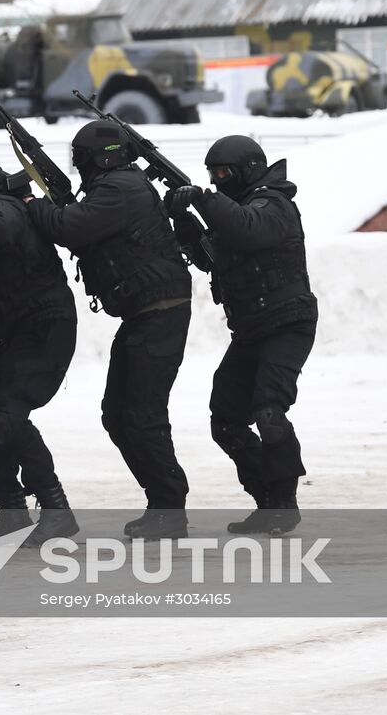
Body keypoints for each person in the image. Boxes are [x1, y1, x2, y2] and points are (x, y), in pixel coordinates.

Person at [25, 120, 193, 540]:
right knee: (117, 415)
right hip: (146, 313)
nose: (79, 168)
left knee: (140, 414)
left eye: (81, 160)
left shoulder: (120, 189)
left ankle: (169, 509)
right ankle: (163, 503)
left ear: (101, 158)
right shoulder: (118, 185)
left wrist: (30, 202)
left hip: (160, 312)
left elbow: (67, 227)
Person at [168, 135, 317, 535]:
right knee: (227, 421)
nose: (218, 182)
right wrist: (183, 220)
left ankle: (285, 502)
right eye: (212, 176)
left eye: (223, 174)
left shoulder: (273, 204)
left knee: (269, 411)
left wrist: (203, 199)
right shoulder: (234, 208)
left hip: (288, 322)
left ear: (247, 170)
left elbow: (249, 229)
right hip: (251, 327)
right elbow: (211, 257)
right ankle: (266, 502)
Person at [0, 149, 79, 547]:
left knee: (8, 417)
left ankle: (57, 511)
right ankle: (13, 513)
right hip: (19, 332)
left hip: (47, 326)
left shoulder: (5, 205)